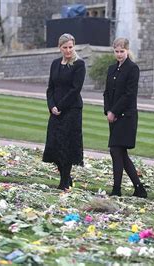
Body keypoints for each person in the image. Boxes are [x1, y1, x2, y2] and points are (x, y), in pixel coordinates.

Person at [103, 37, 147, 198]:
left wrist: (114, 111)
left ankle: (116, 189)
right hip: (113, 117)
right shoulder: (111, 69)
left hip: (126, 117)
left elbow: (129, 94)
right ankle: (139, 188)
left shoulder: (132, 69)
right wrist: (108, 110)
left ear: (127, 51)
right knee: (120, 153)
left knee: (116, 150)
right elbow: (107, 92)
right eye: (117, 51)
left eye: (122, 51)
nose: (119, 54)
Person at [42, 33, 85, 190]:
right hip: (55, 111)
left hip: (71, 110)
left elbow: (75, 89)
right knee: (54, 145)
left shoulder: (79, 64)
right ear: (59, 48)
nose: (68, 50)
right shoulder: (54, 64)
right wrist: (51, 106)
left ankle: (64, 182)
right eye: (65, 47)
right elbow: (50, 88)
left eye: (70, 47)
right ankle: (67, 177)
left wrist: (60, 107)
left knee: (67, 146)